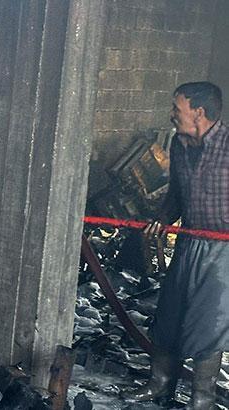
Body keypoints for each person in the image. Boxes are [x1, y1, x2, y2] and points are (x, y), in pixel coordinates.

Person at [124, 82, 226, 409]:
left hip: (224, 251)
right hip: (189, 242)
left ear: (199, 112)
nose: (171, 115)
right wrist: (163, 218)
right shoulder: (180, 145)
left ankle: (202, 399)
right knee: (169, 315)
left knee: (207, 322)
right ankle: (159, 384)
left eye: (176, 109)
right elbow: (177, 195)